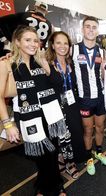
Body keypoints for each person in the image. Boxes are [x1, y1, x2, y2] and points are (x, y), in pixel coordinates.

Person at [0, 26, 66, 195]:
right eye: (27, 40)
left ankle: (50, 187)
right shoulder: (7, 63)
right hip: (29, 118)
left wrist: (45, 62)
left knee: (52, 154)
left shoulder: (41, 60)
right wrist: (8, 125)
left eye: (35, 40)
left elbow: (58, 83)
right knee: (43, 158)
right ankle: (53, 187)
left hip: (50, 116)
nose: (33, 44)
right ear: (17, 42)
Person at [44, 31, 88, 179]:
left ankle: (67, 159)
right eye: (58, 43)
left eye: (65, 43)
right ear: (52, 45)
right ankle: (68, 163)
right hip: (56, 107)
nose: (62, 46)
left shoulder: (71, 63)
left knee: (75, 133)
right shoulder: (46, 63)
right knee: (62, 137)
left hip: (72, 104)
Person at [71, 16, 106, 176]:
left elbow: (103, 75)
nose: (91, 30)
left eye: (94, 27)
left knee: (100, 127)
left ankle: (99, 152)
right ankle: (89, 158)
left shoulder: (102, 51)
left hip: (100, 97)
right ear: (82, 29)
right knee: (88, 130)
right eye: (88, 26)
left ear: (97, 31)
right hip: (84, 99)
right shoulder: (73, 49)